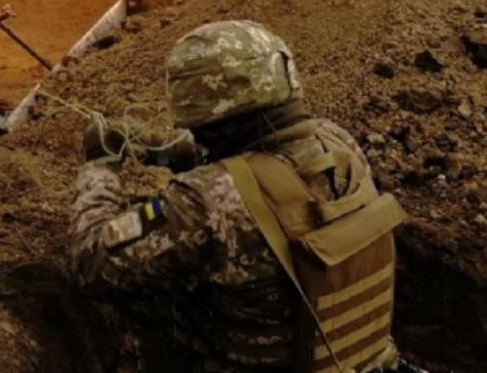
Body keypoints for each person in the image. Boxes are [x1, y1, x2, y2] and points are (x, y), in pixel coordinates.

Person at [68, 20, 412, 373]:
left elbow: (92, 262)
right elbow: (264, 157)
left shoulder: (204, 202)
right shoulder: (340, 144)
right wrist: (164, 149)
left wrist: (100, 167)